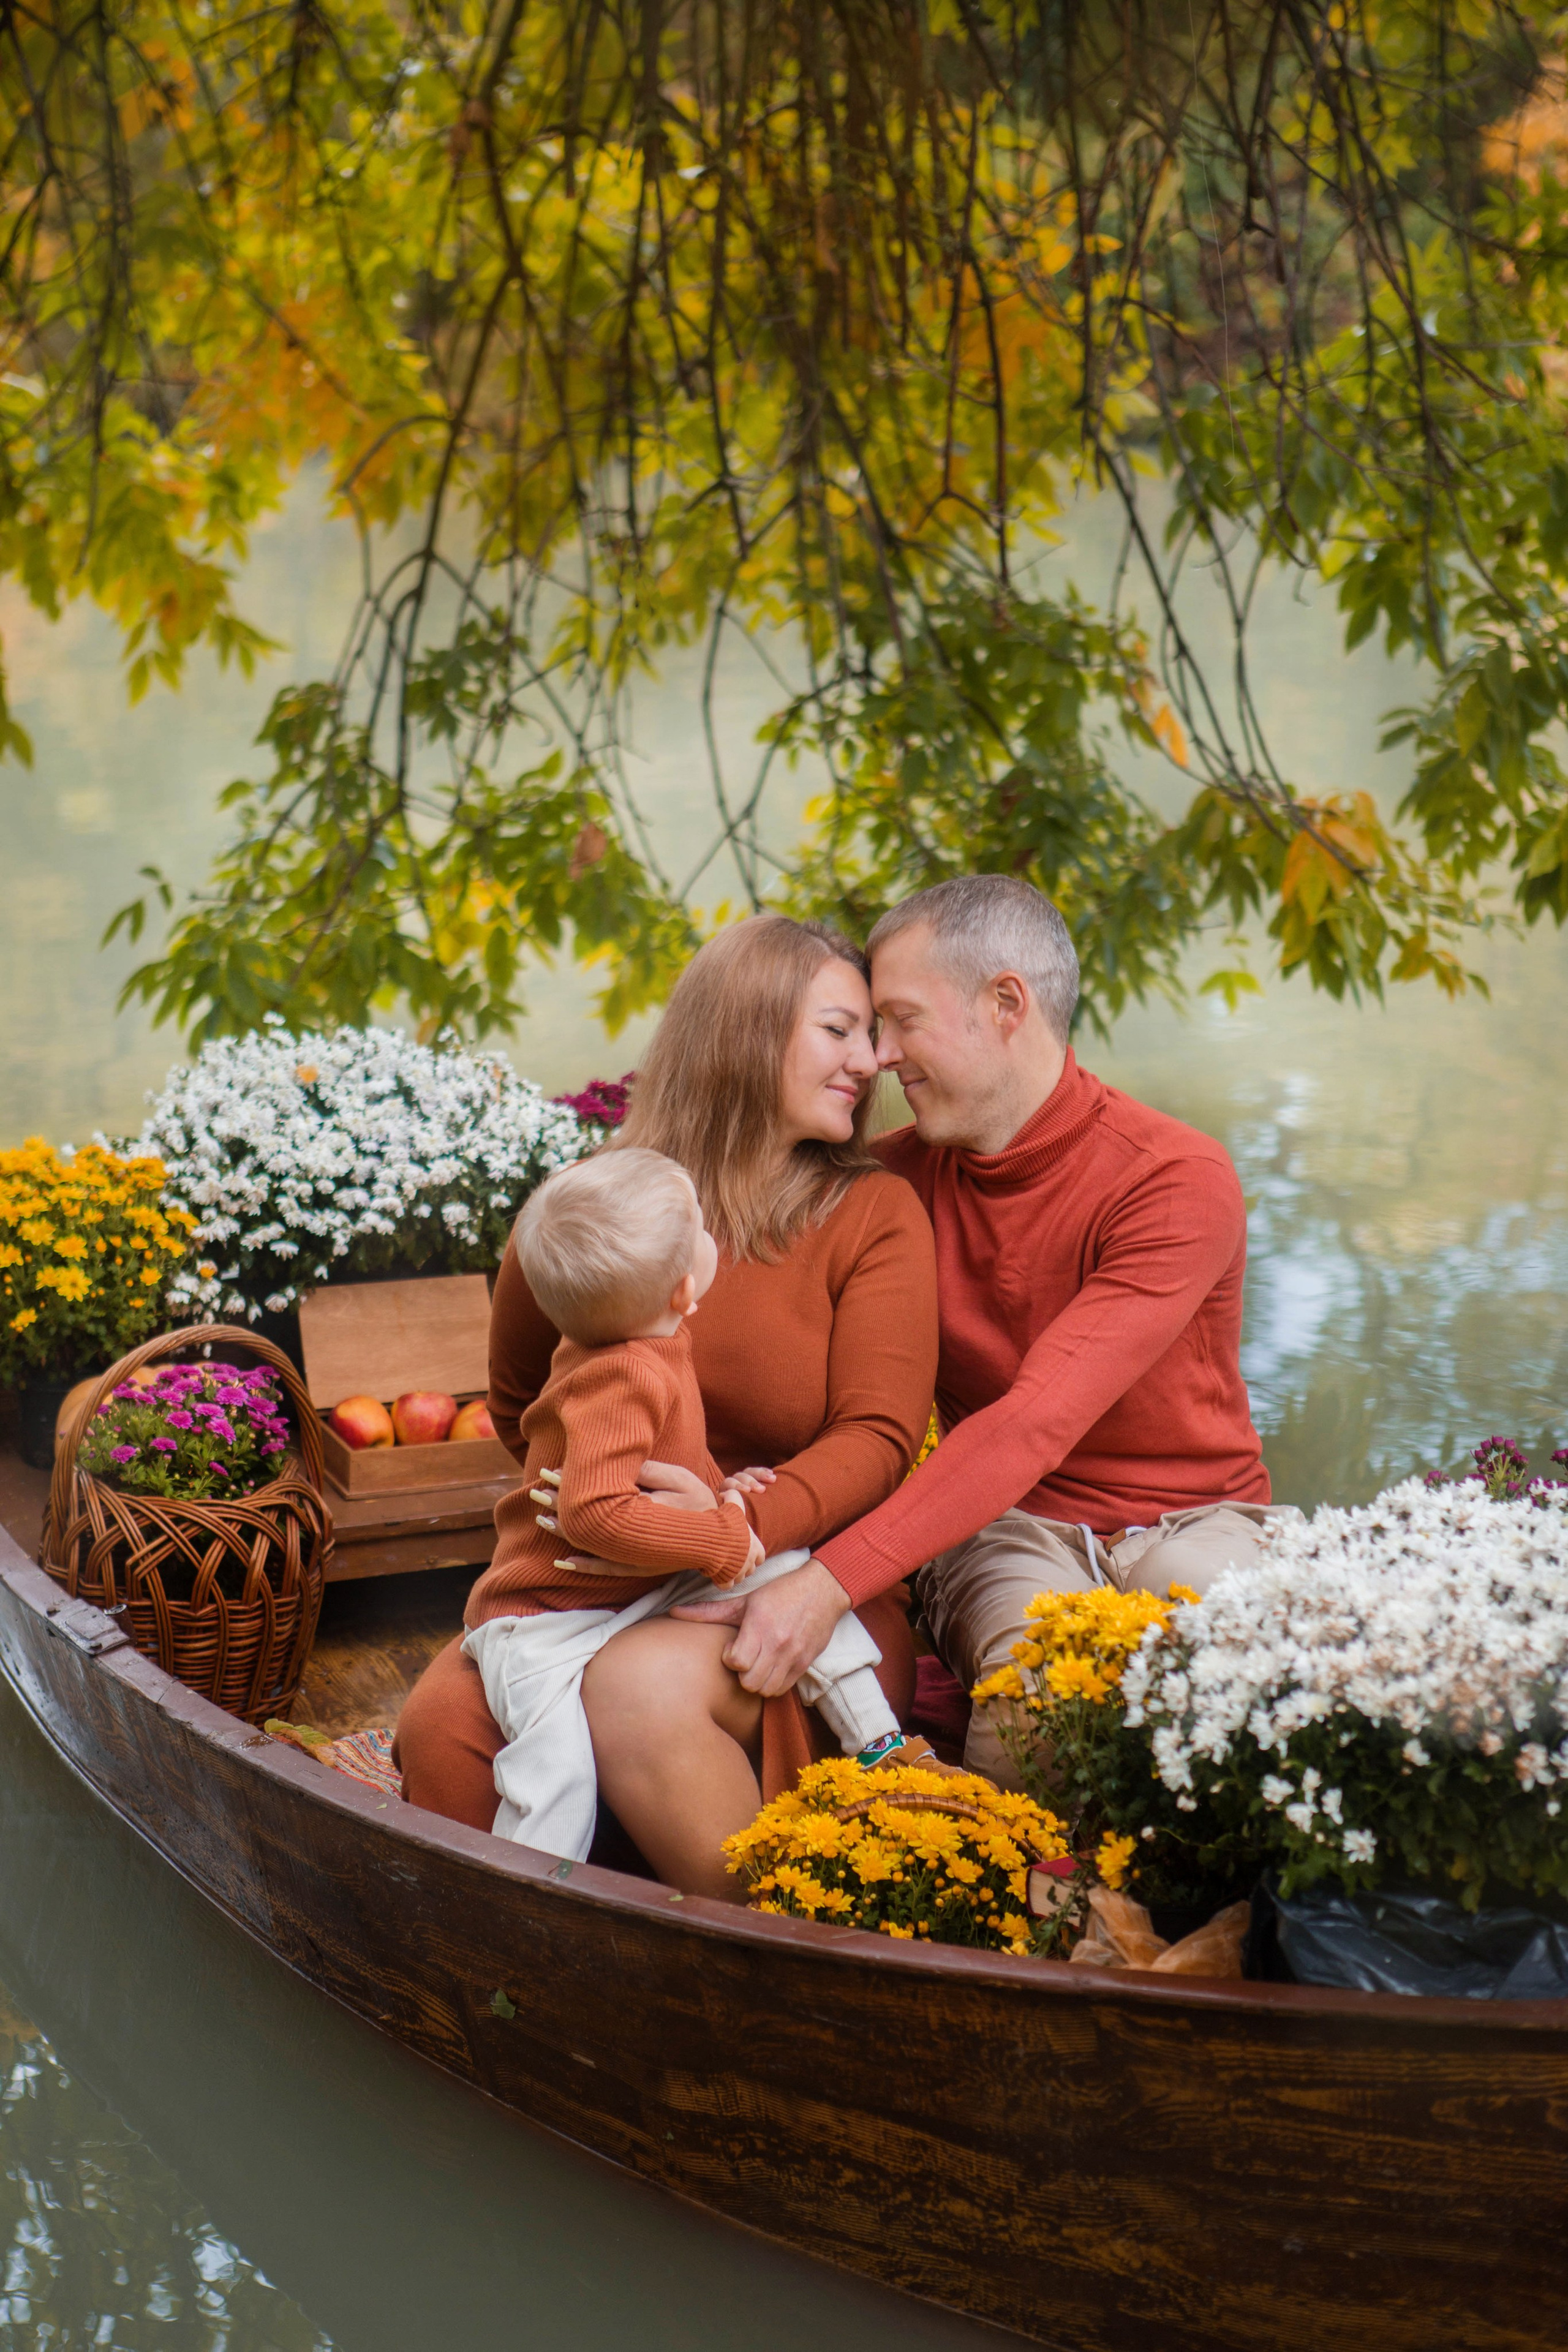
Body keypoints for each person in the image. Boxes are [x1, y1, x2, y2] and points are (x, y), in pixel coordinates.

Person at [672, 874, 1295, 1785]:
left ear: (1006, 1003)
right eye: (866, 1027)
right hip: (1008, 1525)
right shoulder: (889, 1186)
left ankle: (1210, 1913)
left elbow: (1037, 1417)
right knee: (1034, 1690)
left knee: (1218, 1648)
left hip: (1194, 1515)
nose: (879, 1057)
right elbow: (735, 1281)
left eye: (901, 1020)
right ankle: (1013, 1913)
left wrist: (826, 1585)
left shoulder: (1172, 1176)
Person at [393, 912, 942, 1896]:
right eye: (840, 1031)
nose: (871, 1061)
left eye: (872, 1035)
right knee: (441, 1727)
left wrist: (734, 1522)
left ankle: (767, 1953)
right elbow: (528, 1403)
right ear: (747, 1031)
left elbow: (881, 1438)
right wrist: (620, 1524)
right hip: (608, 1583)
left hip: (798, 1584)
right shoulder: (598, 1208)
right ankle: (518, 1966)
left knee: (638, 1694)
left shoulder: (870, 1212)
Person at [461, 1145, 914, 1863]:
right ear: (682, 1288)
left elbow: (658, 1455)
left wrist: (719, 1492)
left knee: (794, 1571)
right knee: (556, 1777)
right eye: (702, 1228)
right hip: (545, 1619)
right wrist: (718, 1540)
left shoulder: (651, 1342)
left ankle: (879, 1744)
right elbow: (593, 1515)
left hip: (632, 1585)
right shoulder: (619, 1374)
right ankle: (523, 1902)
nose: (714, 1237)